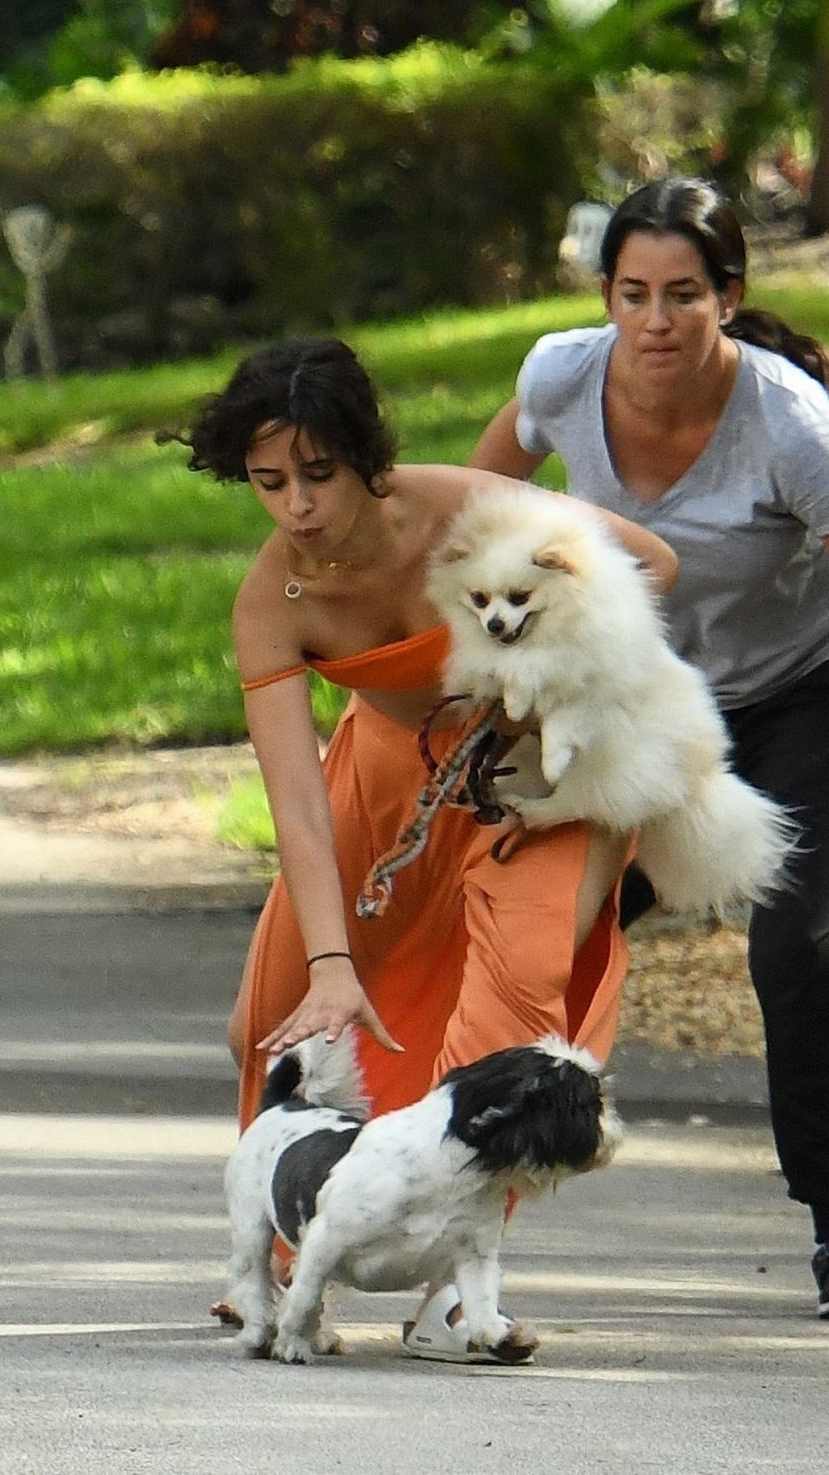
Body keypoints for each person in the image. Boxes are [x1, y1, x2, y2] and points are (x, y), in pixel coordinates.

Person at [471, 176, 829, 1323]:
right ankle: (444, 1175)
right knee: (528, 912)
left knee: (794, 944)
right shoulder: (561, 375)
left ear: (728, 300)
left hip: (810, 695)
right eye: (632, 294)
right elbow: (475, 515)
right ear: (605, 297)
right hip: (650, 696)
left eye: (683, 295)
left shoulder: (787, 424)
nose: (655, 321)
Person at [169, 336, 678, 1357]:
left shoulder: (469, 511)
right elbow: (299, 804)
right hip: (387, 769)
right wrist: (327, 965)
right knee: (270, 1021)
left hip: (538, 766)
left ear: (368, 459)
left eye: (319, 475)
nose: (298, 506)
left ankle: (455, 1295)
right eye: (270, 483)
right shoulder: (275, 601)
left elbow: (653, 563)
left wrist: (536, 688)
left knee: (515, 1002)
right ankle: (284, 1248)